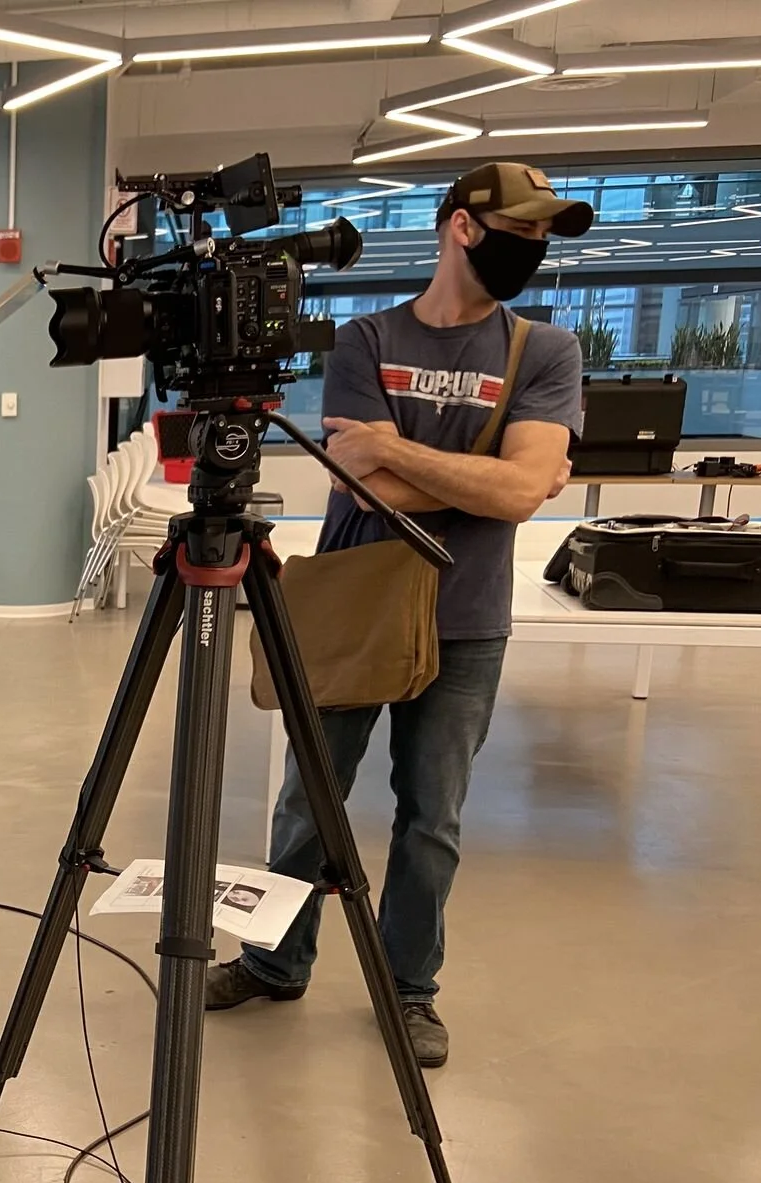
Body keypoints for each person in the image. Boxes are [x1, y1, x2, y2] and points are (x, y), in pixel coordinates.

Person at [206, 162, 591, 1069]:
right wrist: (477, 478)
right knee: (310, 799)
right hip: (355, 602)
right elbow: (366, 487)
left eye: (541, 236)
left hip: (466, 618)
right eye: (521, 230)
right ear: (463, 226)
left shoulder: (542, 351)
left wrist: (406, 450)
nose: (531, 248)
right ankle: (274, 960)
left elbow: (526, 490)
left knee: (432, 819)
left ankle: (409, 991)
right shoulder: (364, 340)